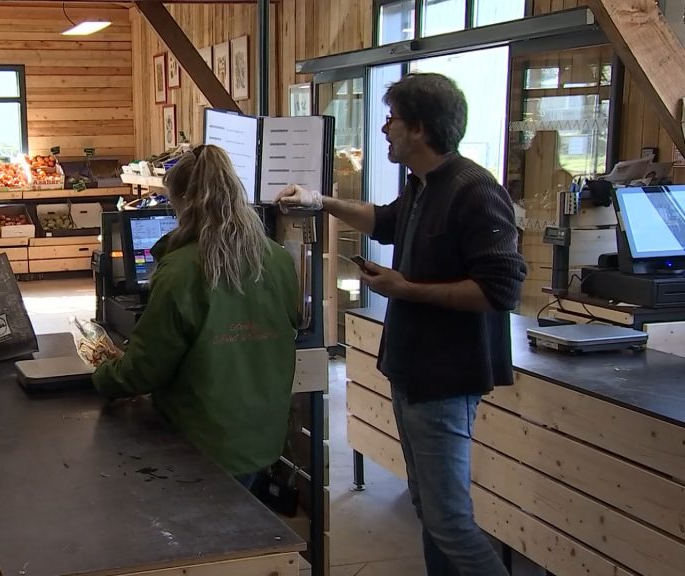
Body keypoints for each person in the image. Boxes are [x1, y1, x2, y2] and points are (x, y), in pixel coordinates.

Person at [277, 73, 526, 576]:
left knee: (451, 522)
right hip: (413, 374)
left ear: (417, 127)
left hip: (445, 380)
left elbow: (501, 291)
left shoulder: (475, 190)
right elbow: (386, 222)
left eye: (391, 119)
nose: (384, 129)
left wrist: (405, 289)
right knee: (429, 514)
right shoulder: (422, 184)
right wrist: (320, 202)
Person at [91, 145, 300, 487]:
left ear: (186, 202)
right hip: (262, 437)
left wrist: (102, 377)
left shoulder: (180, 271)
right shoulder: (277, 260)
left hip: (203, 445)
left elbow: (146, 368)